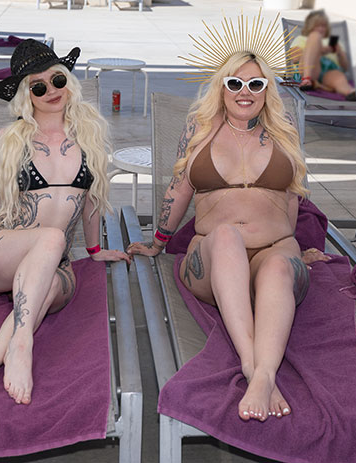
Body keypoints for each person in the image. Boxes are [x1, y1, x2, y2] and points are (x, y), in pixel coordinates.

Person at [0, 39, 130, 407]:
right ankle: (22, 344)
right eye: (38, 87)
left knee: (50, 277)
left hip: (52, 263)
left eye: (57, 80)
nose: (51, 91)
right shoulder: (10, 139)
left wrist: (94, 251)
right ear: (25, 95)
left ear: (68, 82)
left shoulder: (90, 136)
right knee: (52, 238)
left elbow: (92, 202)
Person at [127, 49, 322, 422]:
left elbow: (292, 197)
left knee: (278, 267)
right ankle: (254, 368)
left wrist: (297, 251)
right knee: (228, 237)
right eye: (235, 83)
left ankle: (263, 376)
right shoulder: (199, 129)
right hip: (214, 256)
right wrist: (157, 242)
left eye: (255, 84)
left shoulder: (283, 130)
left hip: (273, 250)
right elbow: (179, 189)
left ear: (266, 89)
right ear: (222, 87)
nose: (244, 91)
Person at [289, 9, 356, 100]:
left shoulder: (334, 42)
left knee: (338, 77)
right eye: (317, 25)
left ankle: (350, 92)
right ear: (310, 26)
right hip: (309, 68)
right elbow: (293, 59)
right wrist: (318, 51)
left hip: (329, 69)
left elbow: (345, 67)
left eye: (323, 26)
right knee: (315, 36)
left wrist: (339, 52)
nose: (321, 28)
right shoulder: (302, 39)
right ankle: (307, 79)